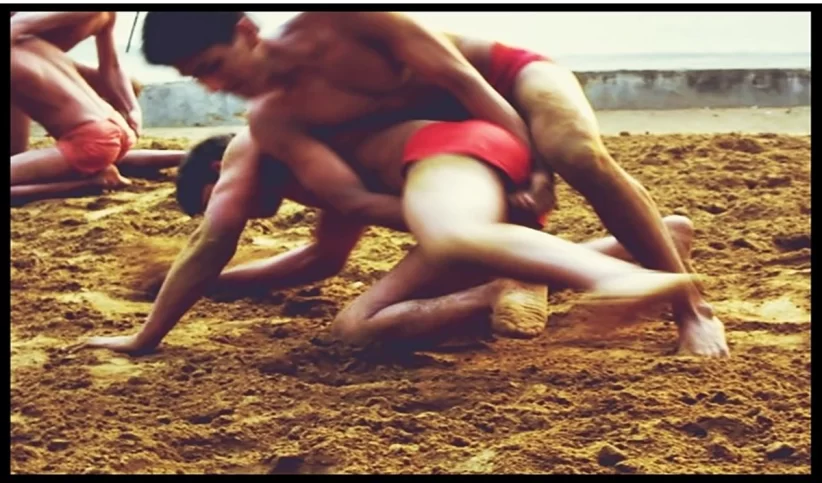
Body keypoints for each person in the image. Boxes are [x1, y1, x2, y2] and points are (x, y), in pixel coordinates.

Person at [139, 12, 727, 356]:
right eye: (198, 79)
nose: (213, 87)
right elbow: (326, 246)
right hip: (458, 146)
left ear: (246, 31)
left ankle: (691, 311)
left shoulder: (341, 25)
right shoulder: (282, 118)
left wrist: (537, 171)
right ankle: (582, 263)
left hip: (502, 83)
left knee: (575, 153)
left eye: (212, 66)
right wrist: (215, 286)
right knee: (456, 236)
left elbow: (464, 82)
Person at [80, 121, 696, 355]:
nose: (236, 217)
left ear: (218, 172)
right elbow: (321, 258)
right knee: (464, 249)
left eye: (211, 202)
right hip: (487, 194)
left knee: (357, 328)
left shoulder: (256, 143)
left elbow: (208, 244)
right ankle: (646, 246)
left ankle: (496, 288)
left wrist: (146, 335)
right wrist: (214, 286)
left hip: (470, 211)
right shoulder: (319, 161)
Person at [10, 12, 185, 205]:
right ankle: (188, 156)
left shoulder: (25, 33)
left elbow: (112, 68)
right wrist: (131, 109)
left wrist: (132, 107)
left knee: (90, 153)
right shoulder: (37, 43)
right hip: (115, 125)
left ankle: (89, 184)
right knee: (99, 154)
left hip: (90, 141)